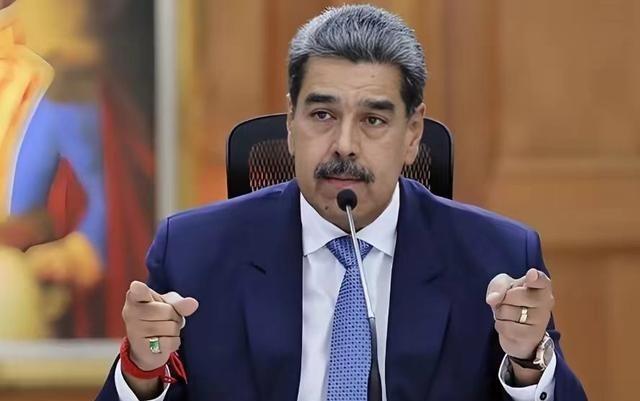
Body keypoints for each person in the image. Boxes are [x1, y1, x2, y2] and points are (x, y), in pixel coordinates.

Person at [96, 5, 587, 401]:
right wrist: (143, 368)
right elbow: (149, 369)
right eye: (322, 115)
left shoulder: (494, 256)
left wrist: (527, 360)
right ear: (291, 123)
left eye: (373, 120)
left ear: (412, 135)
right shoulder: (194, 252)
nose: (345, 145)